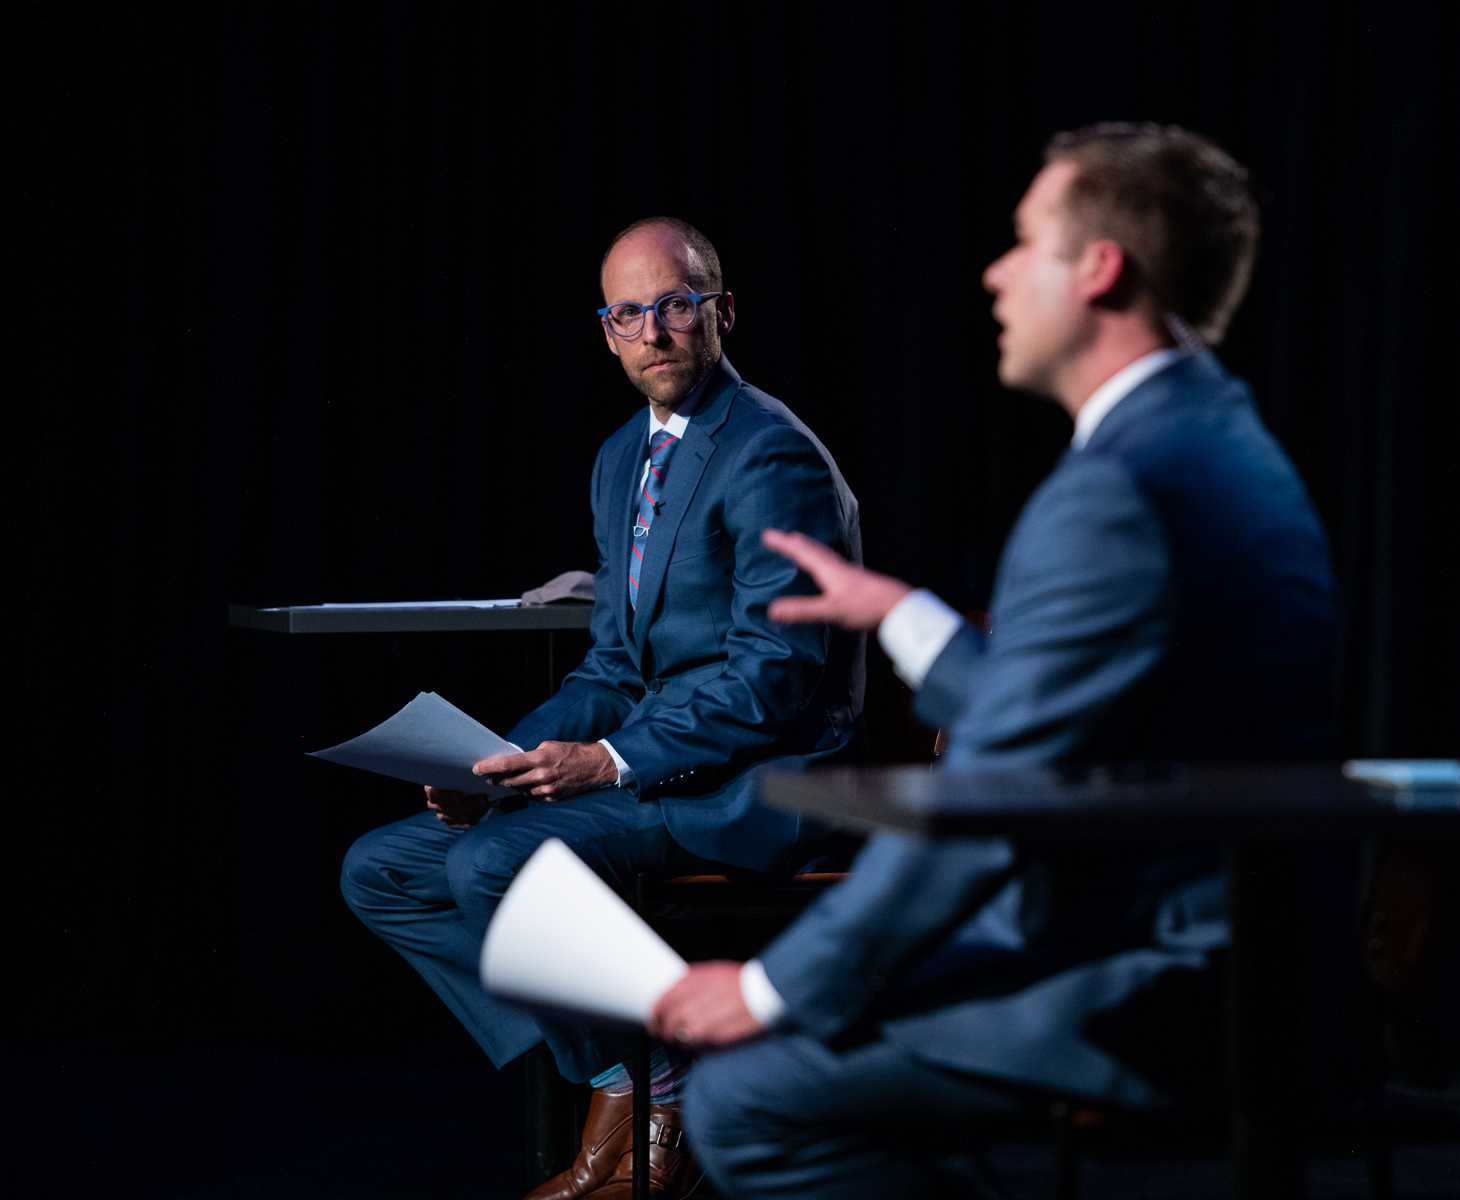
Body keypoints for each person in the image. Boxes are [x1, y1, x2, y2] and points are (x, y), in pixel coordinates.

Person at [647, 123, 1340, 1198]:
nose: (995, 272)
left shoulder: (1115, 490)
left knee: (744, 1095)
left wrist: (776, 987)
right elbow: (1084, 721)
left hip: (1151, 979)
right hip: (1255, 963)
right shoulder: (1218, 440)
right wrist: (908, 617)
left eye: (1025, 242)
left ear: (1100, 269)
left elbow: (992, 797)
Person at [340, 216, 863, 1200]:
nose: (654, 330)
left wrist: (610, 764)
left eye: (675, 304)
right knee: (383, 870)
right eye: (630, 312)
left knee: (495, 860)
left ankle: (648, 1090)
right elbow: (615, 663)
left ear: (721, 314)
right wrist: (500, 762)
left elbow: (777, 676)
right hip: (654, 765)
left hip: (756, 781)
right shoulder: (625, 456)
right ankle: (652, 1070)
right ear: (608, 332)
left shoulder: (771, 456)